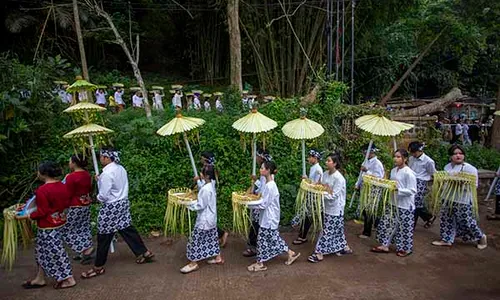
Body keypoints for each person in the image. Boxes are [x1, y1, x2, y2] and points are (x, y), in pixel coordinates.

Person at [81, 147, 154, 279]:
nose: (100, 159)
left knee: (104, 235)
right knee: (126, 228)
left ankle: (98, 266)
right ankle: (144, 252)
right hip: (123, 202)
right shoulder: (120, 168)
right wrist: (100, 180)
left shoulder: (107, 174)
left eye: (102, 157)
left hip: (111, 206)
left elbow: (103, 195)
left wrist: (96, 196)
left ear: (107, 158)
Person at [16, 161, 76, 289]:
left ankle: (69, 279)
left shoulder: (42, 190)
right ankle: (40, 278)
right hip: (60, 222)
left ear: (43, 173)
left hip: (48, 227)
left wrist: (27, 216)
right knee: (42, 252)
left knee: (56, 252)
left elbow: (42, 211)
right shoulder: (63, 186)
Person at [246, 161, 301, 272]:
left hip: (269, 218)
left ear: (268, 170)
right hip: (268, 218)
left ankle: (260, 263)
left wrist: (248, 204)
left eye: (262, 168)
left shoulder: (270, 186)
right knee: (273, 239)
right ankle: (290, 253)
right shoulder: (268, 185)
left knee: (263, 240)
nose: (260, 170)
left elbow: (263, 204)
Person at [431, 145, 487, 249]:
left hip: (463, 199)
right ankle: (446, 239)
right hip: (448, 197)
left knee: (466, 220)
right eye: (455, 154)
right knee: (446, 218)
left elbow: (475, 185)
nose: (458, 156)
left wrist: (462, 184)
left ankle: (481, 237)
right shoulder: (447, 167)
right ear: (451, 156)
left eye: (460, 153)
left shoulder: (470, 169)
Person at [371, 149, 417, 257]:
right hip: (392, 202)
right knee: (387, 224)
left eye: (398, 157)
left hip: (405, 205)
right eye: (395, 156)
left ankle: (406, 248)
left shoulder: (409, 173)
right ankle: (384, 245)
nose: (395, 159)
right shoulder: (393, 170)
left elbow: (412, 190)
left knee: (404, 227)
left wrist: (398, 190)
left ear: (405, 159)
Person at [308, 153, 352, 263]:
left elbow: (333, 196)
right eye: (327, 160)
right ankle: (344, 247)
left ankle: (319, 253)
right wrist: (310, 186)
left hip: (336, 208)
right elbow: (321, 186)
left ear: (335, 163)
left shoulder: (339, 179)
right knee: (337, 230)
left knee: (327, 230)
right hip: (326, 206)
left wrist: (320, 194)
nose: (326, 162)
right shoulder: (325, 174)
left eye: (329, 161)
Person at [180, 165, 224, 273]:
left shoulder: (206, 189)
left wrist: (188, 205)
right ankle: (218, 258)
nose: (200, 174)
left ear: (207, 175)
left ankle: (193, 263)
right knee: (212, 238)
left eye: (202, 172)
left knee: (194, 240)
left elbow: (200, 205)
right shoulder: (211, 185)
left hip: (205, 220)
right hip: (211, 218)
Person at [61, 155, 94, 265]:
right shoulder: (87, 175)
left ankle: (85, 249)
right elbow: (89, 188)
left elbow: (67, 193)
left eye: (70, 161)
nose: (69, 163)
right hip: (86, 203)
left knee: (67, 229)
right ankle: (85, 248)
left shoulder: (71, 177)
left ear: (74, 163)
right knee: (84, 227)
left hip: (75, 205)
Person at [194, 152, 228, 247]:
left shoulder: (209, 172)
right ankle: (217, 254)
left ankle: (221, 234)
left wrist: (198, 181)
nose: (200, 159)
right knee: (210, 228)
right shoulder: (208, 169)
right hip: (207, 202)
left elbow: (206, 187)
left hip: (208, 203)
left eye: (202, 158)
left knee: (206, 227)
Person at [242, 148, 273, 257]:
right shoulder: (264, 172)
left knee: (256, 225)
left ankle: (254, 247)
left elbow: (264, 189)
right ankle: (256, 246)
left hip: (261, 204)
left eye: (257, 156)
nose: (255, 158)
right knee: (255, 224)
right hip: (259, 202)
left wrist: (256, 181)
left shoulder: (268, 176)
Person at [292, 149, 323, 245]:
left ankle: (303, 236)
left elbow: (317, 184)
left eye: (310, 157)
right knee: (309, 216)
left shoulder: (318, 169)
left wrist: (307, 181)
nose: (308, 159)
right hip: (310, 195)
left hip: (314, 197)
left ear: (315, 158)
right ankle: (302, 235)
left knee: (310, 216)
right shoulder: (313, 167)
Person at [356, 144, 385, 239]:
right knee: (365, 209)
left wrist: (367, 170)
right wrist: (358, 183)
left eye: (365, 152)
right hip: (364, 188)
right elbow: (361, 174)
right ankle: (377, 223)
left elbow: (379, 178)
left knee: (369, 210)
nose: (364, 154)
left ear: (371, 152)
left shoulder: (377, 163)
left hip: (373, 189)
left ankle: (367, 232)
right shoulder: (365, 161)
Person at [408, 141, 436, 228]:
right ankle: (429, 216)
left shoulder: (429, 161)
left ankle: (412, 224)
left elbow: (433, 173)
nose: (413, 154)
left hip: (421, 182)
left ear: (420, 150)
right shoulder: (411, 158)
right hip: (411, 180)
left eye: (414, 152)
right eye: (411, 152)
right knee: (414, 202)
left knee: (416, 202)